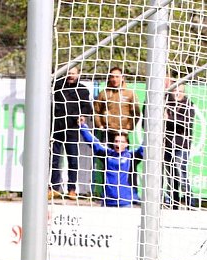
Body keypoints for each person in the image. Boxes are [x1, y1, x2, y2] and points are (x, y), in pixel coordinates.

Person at [92, 67, 140, 197]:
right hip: (108, 133)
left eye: (117, 77)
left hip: (122, 134)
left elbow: (136, 112)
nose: (114, 79)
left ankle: (132, 193)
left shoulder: (129, 93)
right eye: (112, 77)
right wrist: (100, 125)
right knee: (107, 164)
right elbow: (96, 111)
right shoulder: (104, 93)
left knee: (129, 165)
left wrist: (129, 127)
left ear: (122, 78)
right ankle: (106, 192)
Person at [78, 117, 144, 207]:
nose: (118, 144)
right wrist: (83, 126)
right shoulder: (107, 155)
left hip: (126, 203)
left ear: (126, 144)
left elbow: (145, 147)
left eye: (121, 142)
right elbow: (93, 142)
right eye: (116, 141)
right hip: (107, 202)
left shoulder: (132, 157)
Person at [50, 66, 93, 200]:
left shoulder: (82, 90)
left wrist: (83, 116)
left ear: (78, 74)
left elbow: (87, 108)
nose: (70, 75)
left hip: (72, 130)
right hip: (57, 128)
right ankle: (54, 188)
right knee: (54, 159)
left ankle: (72, 189)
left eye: (73, 73)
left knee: (73, 160)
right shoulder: (57, 87)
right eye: (68, 73)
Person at [163, 79, 198, 209]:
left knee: (181, 173)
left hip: (181, 146)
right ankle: (174, 202)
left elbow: (184, 122)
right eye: (175, 90)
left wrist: (169, 119)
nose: (177, 93)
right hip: (167, 144)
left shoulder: (189, 105)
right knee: (171, 176)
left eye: (180, 91)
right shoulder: (166, 102)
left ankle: (190, 202)